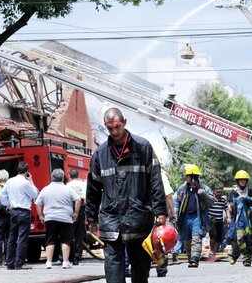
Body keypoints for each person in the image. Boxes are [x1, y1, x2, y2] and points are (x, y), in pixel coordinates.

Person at [86, 107, 167, 283]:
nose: (114, 132)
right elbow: (93, 188)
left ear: (124, 123)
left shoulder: (143, 147)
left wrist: (160, 211)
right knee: (113, 267)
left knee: (140, 268)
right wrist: (91, 217)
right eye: (110, 128)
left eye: (117, 127)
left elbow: (155, 181)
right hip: (111, 219)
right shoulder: (100, 154)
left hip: (138, 218)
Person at [36, 168, 81, 270]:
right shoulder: (68, 189)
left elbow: (38, 203)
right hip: (65, 218)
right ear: (62, 178)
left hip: (50, 217)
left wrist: (40, 215)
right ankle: (65, 262)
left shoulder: (45, 189)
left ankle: (49, 262)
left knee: (50, 239)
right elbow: (78, 200)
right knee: (65, 240)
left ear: (52, 177)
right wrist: (76, 213)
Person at [0, 161, 39, 270]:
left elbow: (1, 195)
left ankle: (9, 262)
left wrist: (8, 204)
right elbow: (35, 194)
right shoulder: (25, 183)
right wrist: (31, 181)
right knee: (22, 238)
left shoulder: (10, 181)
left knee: (11, 237)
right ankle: (19, 262)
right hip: (24, 211)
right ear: (27, 171)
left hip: (13, 211)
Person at [174, 164, 214, 268]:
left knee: (196, 238)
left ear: (193, 177)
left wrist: (203, 194)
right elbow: (176, 202)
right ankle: (190, 258)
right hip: (185, 218)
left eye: (187, 176)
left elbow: (211, 202)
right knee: (187, 240)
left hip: (198, 217)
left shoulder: (204, 188)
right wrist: (175, 215)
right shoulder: (182, 189)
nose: (185, 177)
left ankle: (195, 259)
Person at [156, 169, 176, 277]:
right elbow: (168, 195)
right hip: (159, 214)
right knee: (161, 240)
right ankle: (161, 268)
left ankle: (130, 267)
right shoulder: (161, 175)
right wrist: (172, 213)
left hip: (141, 212)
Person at [65, 168, 87, 265]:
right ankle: (77, 257)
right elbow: (86, 199)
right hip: (81, 208)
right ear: (78, 175)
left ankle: (68, 256)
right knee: (79, 234)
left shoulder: (68, 185)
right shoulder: (83, 184)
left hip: (70, 209)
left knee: (69, 233)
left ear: (70, 176)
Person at [208, 185, 230, 260]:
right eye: (217, 189)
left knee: (219, 237)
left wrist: (228, 217)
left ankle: (214, 252)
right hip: (211, 221)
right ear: (214, 191)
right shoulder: (210, 199)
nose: (219, 191)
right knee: (213, 235)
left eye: (220, 189)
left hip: (220, 221)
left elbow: (226, 209)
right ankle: (211, 251)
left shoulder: (223, 200)